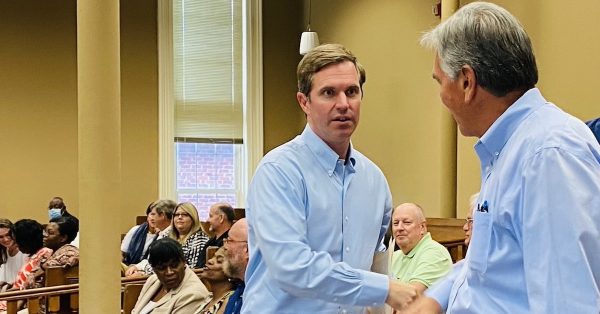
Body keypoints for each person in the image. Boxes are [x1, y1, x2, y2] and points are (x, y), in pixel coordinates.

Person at [406, 2, 600, 313]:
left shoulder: (548, 155)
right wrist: (435, 298)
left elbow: (568, 303)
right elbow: (493, 271)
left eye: (440, 82)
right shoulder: (511, 149)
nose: (441, 96)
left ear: (467, 83)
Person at [243, 43, 416, 313]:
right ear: (304, 102)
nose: (344, 104)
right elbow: (292, 267)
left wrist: (386, 294)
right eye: (328, 93)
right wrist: (383, 288)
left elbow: (377, 263)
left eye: (352, 92)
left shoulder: (375, 181)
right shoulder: (279, 171)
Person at [131, 237, 209, 314]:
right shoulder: (153, 280)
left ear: (184, 262)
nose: (169, 272)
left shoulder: (194, 294)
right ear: (154, 269)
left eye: (174, 265)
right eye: (162, 268)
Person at [390, 203, 452, 294]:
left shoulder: (435, 253)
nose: (399, 228)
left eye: (407, 222)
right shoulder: (394, 256)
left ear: (422, 227)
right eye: (395, 223)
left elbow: (409, 297)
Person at [0, 219, 53, 312]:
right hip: (11, 298)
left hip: (21, 302)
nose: (17, 245)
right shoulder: (32, 256)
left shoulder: (44, 254)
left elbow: (29, 287)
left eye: (18, 241)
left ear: (26, 240)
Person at [125, 199, 176, 277]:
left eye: (153, 214)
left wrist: (142, 275)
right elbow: (150, 261)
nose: (151, 218)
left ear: (162, 215)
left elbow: (162, 267)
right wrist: (136, 266)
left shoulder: (171, 236)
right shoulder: (162, 234)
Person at [195, 247, 235, 314]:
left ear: (231, 271)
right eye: (213, 257)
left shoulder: (230, 300)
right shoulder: (208, 299)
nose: (210, 261)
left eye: (219, 261)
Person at [170, 202, 209, 269]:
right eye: (176, 215)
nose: (179, 217)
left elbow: (193, 268)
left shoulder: (200, 239)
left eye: (184, 215)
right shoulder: (167, 235)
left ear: (193, 219)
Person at [221, 218, 247, 314]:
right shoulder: (239, 291)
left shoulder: (263, 295)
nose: (225, 247)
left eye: (229, 241)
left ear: (247, 249)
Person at [197, 203, 235, 268]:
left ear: (221, 218)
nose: (208, 220)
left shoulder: (230, 242)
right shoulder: (211, 241)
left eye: (211, 216)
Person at [0, 219, 27, 292]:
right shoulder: (3, 252)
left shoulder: (25, 251)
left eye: (8, 235)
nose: (5, 239)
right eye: (1, 237)